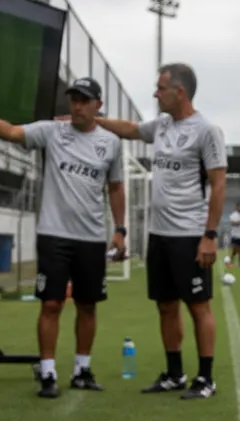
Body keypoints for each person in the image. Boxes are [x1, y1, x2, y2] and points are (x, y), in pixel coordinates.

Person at [0, 77, 124, 398]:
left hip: (91, 237)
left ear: (98, 105)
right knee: (51, 304)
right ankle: (47, 373)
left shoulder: (111, 143)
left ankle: (82, 370)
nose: (77, 106)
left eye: (84, 100)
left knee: (88, 305)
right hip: (53, 235)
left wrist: (120, 230)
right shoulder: (52, 131)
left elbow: (116, 188)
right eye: (73, 99)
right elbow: (12, 132)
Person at [94, 62, 227, 399]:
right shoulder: (163, 125)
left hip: (190, 234)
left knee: (198, 306)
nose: (155, 94)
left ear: (179, 92)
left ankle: (206, 379)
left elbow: (218, 183)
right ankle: (174, 374)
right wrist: (94, 120)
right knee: (166, 305)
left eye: (160, 88)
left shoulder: (206, 131)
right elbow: (130, 129)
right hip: (159, 234)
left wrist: (210, 235)